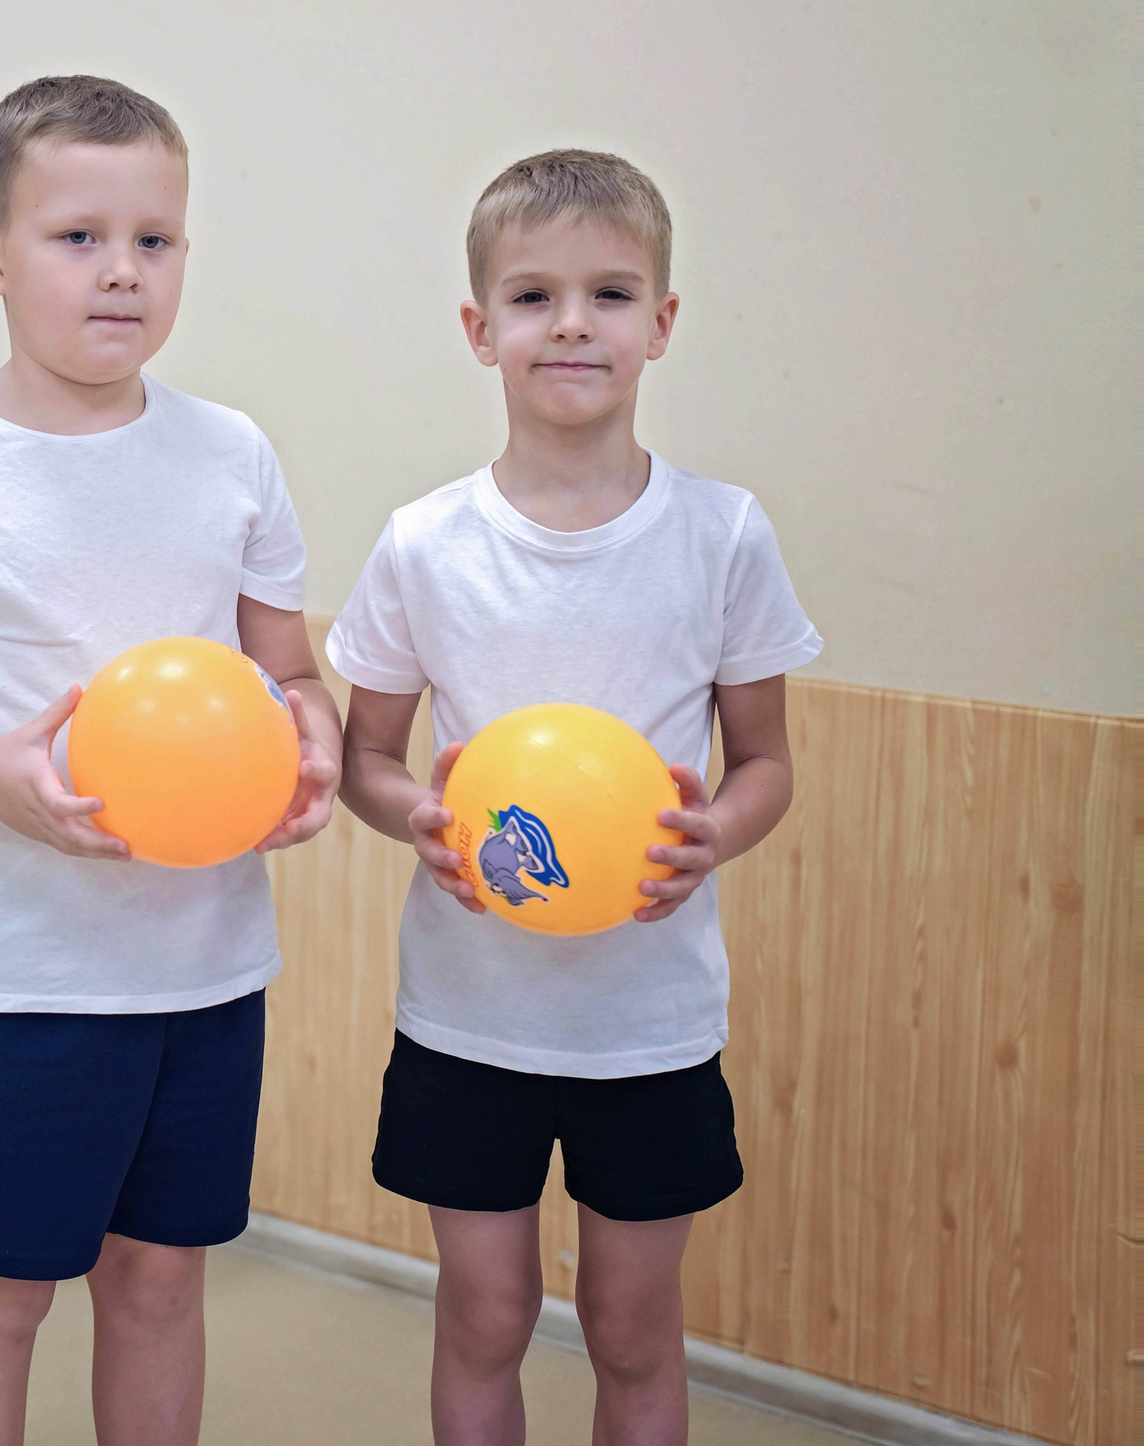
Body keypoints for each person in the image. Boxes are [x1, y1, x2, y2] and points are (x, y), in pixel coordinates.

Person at [0, 76, 343, 1446]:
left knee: (160, 1282)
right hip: (17, 980)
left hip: (207, 965)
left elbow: (286, 671)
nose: (122, 273)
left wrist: (312, 737)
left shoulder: (232, 454)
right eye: (78, 238)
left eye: (154, 241)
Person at [328, 150, 821, 1446]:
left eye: (610, 293)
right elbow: (365, 758)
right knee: (483, 1315)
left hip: (646, 1026)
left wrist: (714, 833)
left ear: (661, 323)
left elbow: (765, 764)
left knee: (632, 1329)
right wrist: (413, 818)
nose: (572, 325)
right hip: (468, 1020)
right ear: (480, 327)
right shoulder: (425, 542)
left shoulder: (723, 535)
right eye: (535, 296)